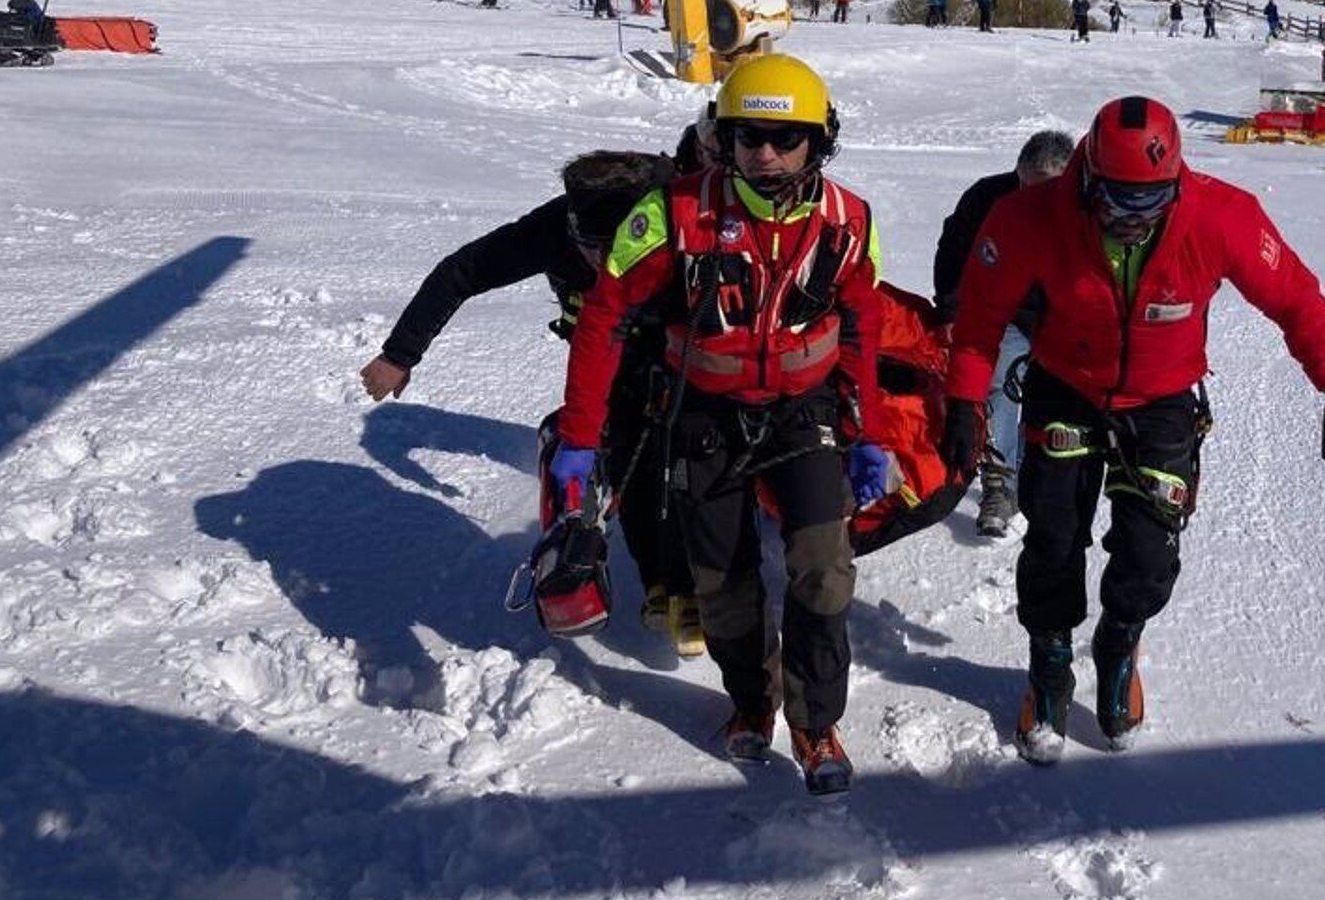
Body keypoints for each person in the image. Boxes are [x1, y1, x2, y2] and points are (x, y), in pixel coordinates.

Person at [943, 97, 1325, 763]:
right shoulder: (1031, 214)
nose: (1130, 220)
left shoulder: (1222, 215)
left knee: (1149, 552)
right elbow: (977, 323)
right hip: (1066, 388)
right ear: (1085, 179)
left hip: (1164, 399)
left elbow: (1296, 299)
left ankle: (1118, 646)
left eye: (1149, 204)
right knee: (1053, 540)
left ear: (1175, 183)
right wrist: (963, 407)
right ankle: (1050, 669)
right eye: (1115, 201)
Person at [552, 55, 880, 795]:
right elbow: (603, 319)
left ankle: (815, 719)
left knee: (822, 571)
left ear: (818, 142)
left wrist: (875, 432)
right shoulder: (669, 213)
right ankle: (751, 702)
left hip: (805, 413)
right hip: (705, 415)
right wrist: (579, 437)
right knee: (724, 580)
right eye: (746, 136)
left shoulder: (848, 221)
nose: (764, 153)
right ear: (720, 138)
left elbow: (863, 325)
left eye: (783, 137)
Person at [358, 122, 720, 656]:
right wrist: (399, 354)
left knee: (691, 452)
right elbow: (463, 271)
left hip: (688, 350)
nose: (604, 266)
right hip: (606, 360)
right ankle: (668, 587)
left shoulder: (679, 213)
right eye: (592, 250)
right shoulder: (552, 228)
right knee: (630, 459)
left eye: (616, 250)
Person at [932, 130, 1075, 538]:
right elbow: (953, 252)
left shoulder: (1086, 210)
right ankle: (1000, 483)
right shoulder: (986, 198)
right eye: (1024, 185)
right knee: (998, 384)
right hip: (1002, 315)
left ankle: (1046, 479)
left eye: (1043, 191)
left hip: (1062, 321)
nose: (1030, 198)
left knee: (1055, 401)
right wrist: (950, 310)